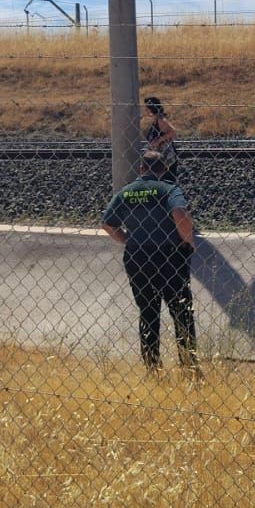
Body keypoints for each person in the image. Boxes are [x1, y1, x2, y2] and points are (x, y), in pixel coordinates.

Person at [102, 151, 198, 370]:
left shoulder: (125, 192)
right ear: (163, 169)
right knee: (181, 312)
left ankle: (153, 366)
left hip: (137, 256)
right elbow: (180, 214)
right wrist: (188, 239)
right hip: (169, 256)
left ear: (141, 169)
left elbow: (107, 225)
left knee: (148, 312)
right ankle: (189, 365)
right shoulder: (168, 189)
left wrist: (128, 239)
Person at [144, 96, 179, 178]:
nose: (144, 109)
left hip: (166, 159)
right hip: (159, 159)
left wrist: (158, 141)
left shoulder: (160, 120)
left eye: (146, 107)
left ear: (150, 108)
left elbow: (172, 132)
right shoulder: (155, 119)